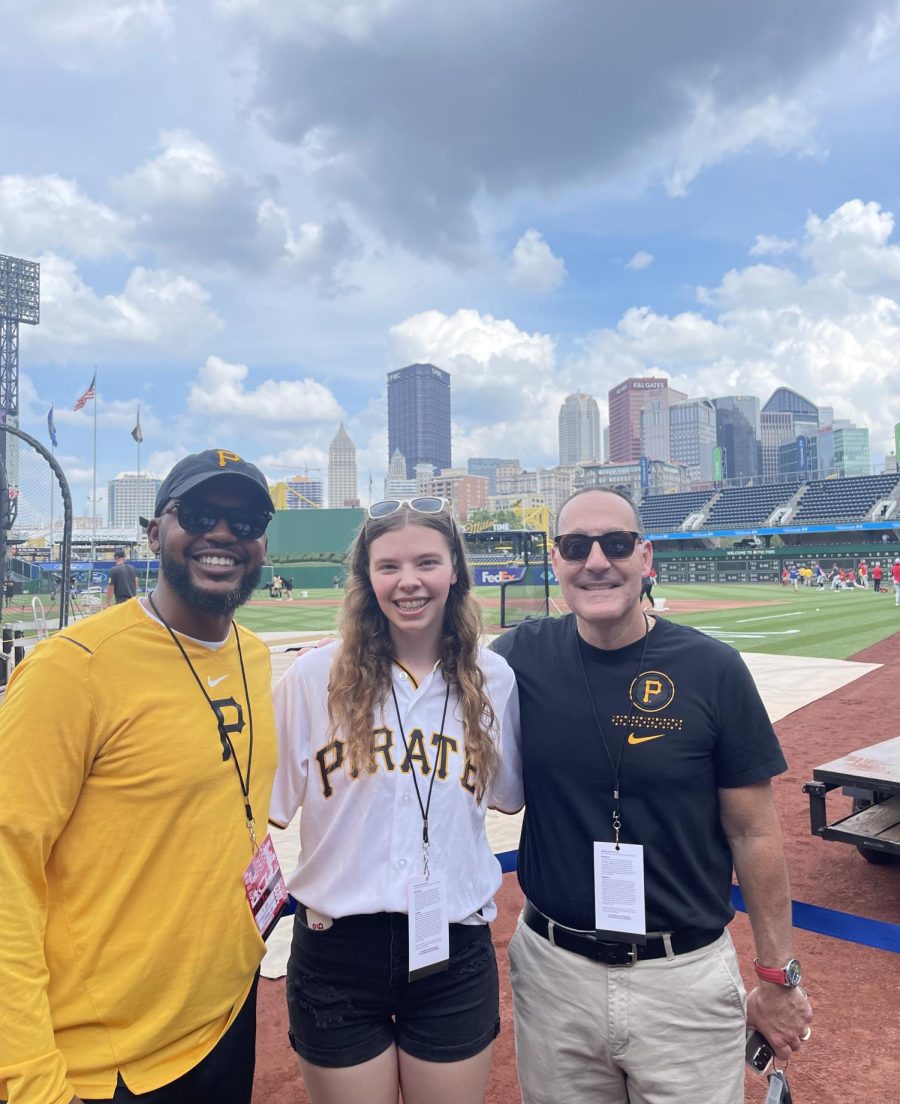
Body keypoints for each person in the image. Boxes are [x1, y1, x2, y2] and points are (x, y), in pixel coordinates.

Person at [491, 487, 812, 1104]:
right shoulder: (517, 657)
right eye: (575, 546)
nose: (596, 562)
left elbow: (754, 831)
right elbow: (426, 679)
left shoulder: (712, 668)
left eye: (615, 544)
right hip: (556, 974)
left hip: (683, 977)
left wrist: (776, 974)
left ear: (645, 556)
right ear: (555, 561)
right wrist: (349, 654)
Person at [0, 448, 279, 1104]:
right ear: (154, 533)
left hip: (223, 1021)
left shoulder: (257, 657)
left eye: (246, 521)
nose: (222, 534)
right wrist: (31, 1079)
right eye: (201, 514)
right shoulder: (71, 671)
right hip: (107, 1065)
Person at [270, 496, 520, 1104]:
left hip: (453, 946)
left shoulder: (493, 679)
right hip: (337, 950)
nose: (408, 582)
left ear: (455, 570)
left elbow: (508, 796)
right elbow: (262, 808)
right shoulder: (313, 678)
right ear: (366, 579)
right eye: (388, 567)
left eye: (427, 562)